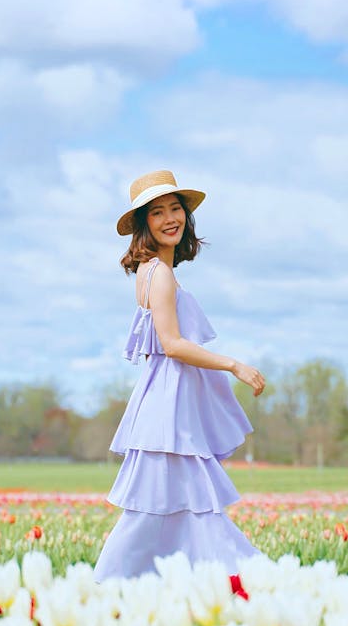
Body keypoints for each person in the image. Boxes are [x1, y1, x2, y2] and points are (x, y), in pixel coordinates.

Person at [93, 169, 266, 593]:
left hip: (169, 405)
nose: (170, 218)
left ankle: (219, 583)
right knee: (162, 509)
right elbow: (171, 344)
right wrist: (233, 365)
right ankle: (249, 583)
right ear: (143, 224)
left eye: (176, 209)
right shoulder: (161, 275)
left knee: (182, 505)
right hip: (168, 412)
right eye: (157, 212)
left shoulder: (151, 273)